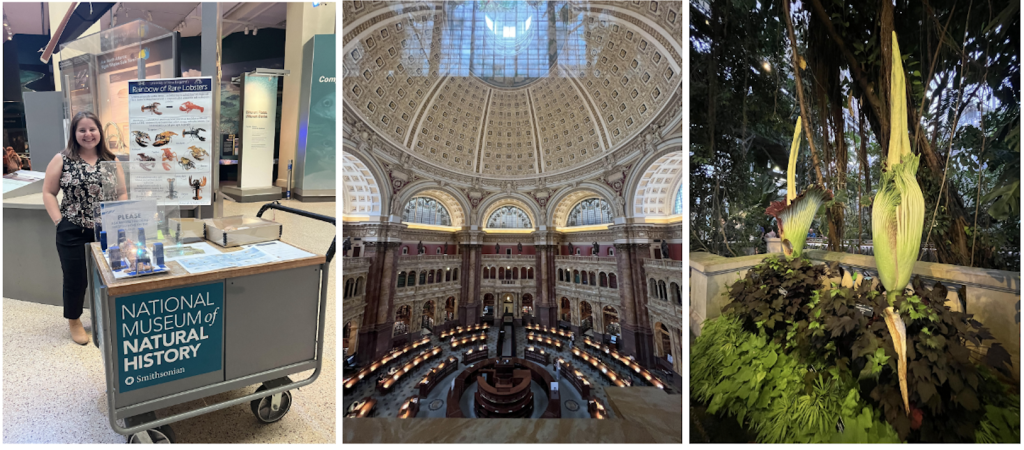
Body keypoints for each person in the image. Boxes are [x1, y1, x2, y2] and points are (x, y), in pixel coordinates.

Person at [42, 111, 127, 345]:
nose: (88, 134)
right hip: (73, 230)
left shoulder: (111, 160)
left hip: (107, 229)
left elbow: (121, 192)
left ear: (99, 131)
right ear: (74, 133)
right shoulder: (62, 159)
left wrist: (120, 220)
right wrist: (59, 221)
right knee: (76, 278)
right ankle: (74, 320)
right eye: (82, 130)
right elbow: (48, 192)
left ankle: (108, 316)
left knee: (111, 275)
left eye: (92, 129)